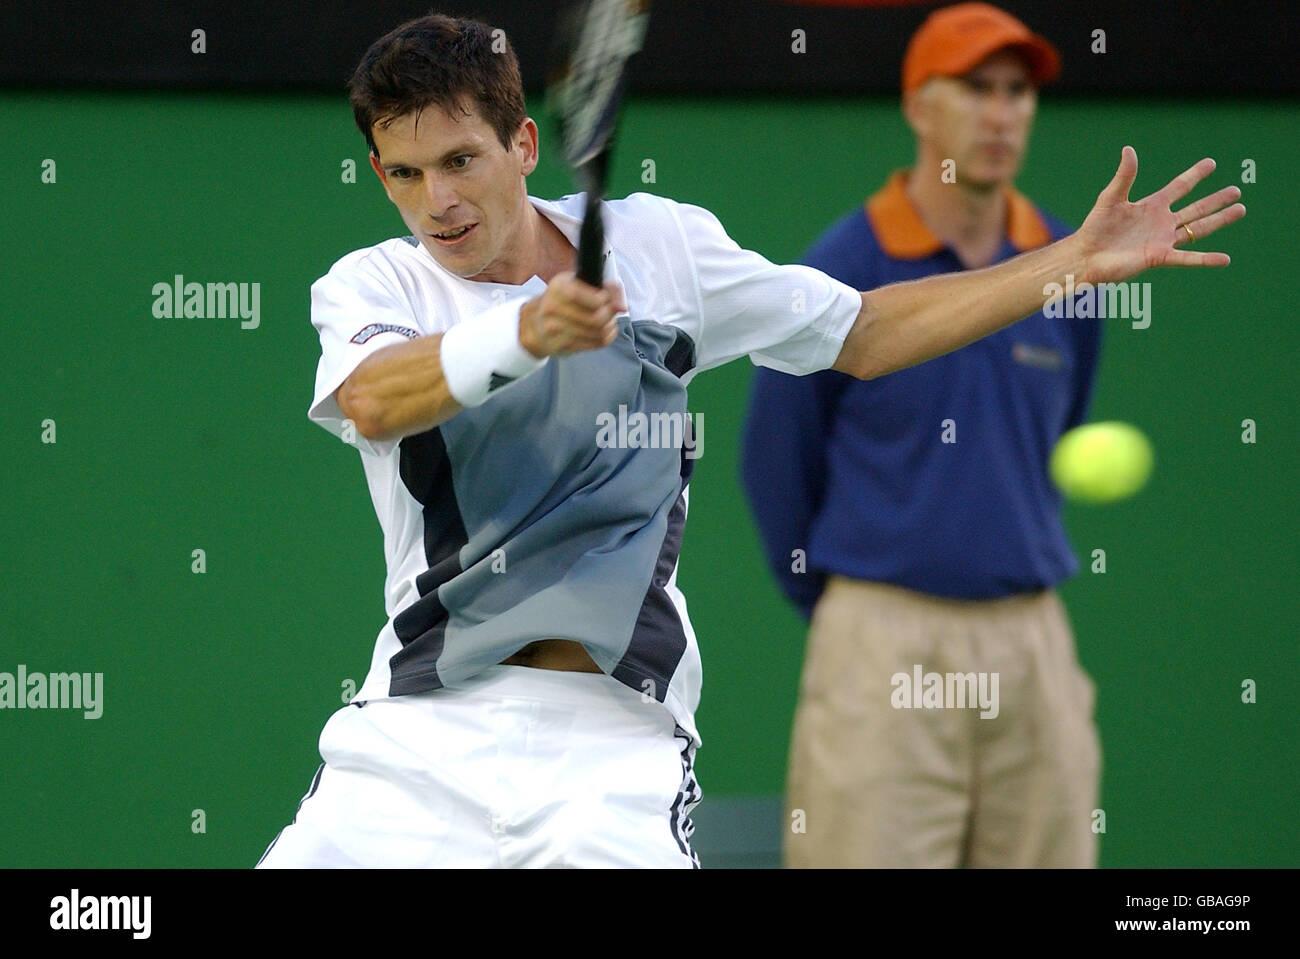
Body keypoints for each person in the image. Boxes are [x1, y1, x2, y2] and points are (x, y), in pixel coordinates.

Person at [257, 10, 1243, 868]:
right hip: (417, 733)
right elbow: (377, 400)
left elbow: (864, 331)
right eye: (405, 172)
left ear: (522, 144)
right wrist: (525, 330)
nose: (438, 201)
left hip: (613, 742)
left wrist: (1066, 260)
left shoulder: (662, 247)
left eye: (460, 160)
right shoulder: (373, 284)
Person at [741, 2, 1118, 868]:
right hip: (882, 642)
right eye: (975, 88)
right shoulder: (844, 265)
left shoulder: (1072, 260)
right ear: (919, 108)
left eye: (1017, 90)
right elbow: (775, 464)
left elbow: (1063, 428)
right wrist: (853, 607)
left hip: (1034, 644)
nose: (1001, 113)